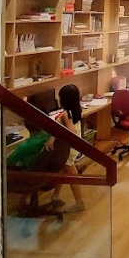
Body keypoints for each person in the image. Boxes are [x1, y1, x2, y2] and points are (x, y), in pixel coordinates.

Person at [49, 84, 85, 212]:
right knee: (62, 170)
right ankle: (55, 196)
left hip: (68, 148)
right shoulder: (75, 111)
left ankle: (79, 203)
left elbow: (71, 131)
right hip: (74, 146)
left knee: (70, 173)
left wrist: (52, 138)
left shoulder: (65, 114)